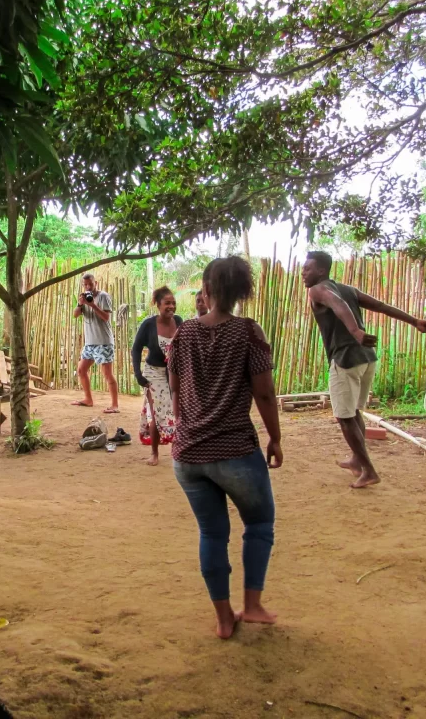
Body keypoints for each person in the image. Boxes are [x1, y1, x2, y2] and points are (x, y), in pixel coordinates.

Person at [168, 257, 283, 640]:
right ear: (242, 291)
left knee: (212, 534)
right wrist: (275, 437)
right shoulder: (249, 333)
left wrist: (187, 423)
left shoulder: (183, 334)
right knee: (260, 523)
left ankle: (222, 618)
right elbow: (263, 392)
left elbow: (174, 388)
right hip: (234, 448)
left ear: (207, 289)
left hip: (188, 454)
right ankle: (251, 606)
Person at [302, 250, 426, 488]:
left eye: (308, 268)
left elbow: (337, 303)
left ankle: (369, 470)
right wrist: (414, 321)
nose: (303, 273)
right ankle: (356, 460)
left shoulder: (318, 290)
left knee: (344, 418)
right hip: (366, 358)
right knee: (354, 412)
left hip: (346, 360)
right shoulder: (348, 288)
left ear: (321, 270)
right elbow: (380, 306)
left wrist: (355, 332)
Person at [132, 286, 182, 465]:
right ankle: (154, 453)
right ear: (158, 304)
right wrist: (138, 374)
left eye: (173, 303)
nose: (171, 306)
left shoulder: (179, 321)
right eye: (167, 303)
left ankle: (178, 452)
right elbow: (136, 349)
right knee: (157, 413)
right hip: (153, 374)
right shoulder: (148, 324)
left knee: (176, 413)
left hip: (174, 375)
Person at [71, 273, 119, 413]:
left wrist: (92, 305)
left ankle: (115, 405)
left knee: (107, 374)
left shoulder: (103, 296)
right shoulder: (83, 298)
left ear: (95, 283)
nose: (88, 287)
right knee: (81, 370)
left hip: (103, 342)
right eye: (85, 284)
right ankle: (88, 399)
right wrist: (81, 304)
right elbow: (75, 315)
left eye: (90, 284)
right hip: (90, 343)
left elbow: (106, 317)